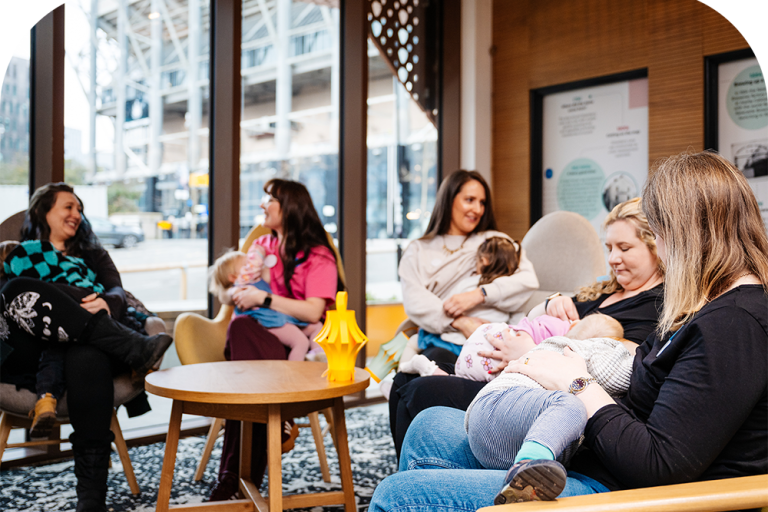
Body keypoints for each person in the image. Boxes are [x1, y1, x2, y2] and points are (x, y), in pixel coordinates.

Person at [369, 151, 768, 511]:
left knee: (395, 495)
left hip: (624, 491)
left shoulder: (733, 326)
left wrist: (574, 382)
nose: (660, 250)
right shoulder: (709, 307)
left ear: (688, 234)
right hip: (600, 455)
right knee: (427, 427)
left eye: (660, 235)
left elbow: (660, 465)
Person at [388, 196, 663, 458]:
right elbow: (535, 316)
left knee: (419, 390)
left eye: (624, 248)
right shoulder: (602, 292)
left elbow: (614, 372)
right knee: (409, 376)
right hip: (507, 366)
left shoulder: (653, 307)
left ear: (656, 247)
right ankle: (415, 472)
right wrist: (550, 303)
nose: (613, 258)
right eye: (609, 248)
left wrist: (530, 353)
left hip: (536, 392)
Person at [0, 182, 173, 512]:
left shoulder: (93, 256)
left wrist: (105, 304)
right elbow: (13, 301)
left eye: (79, 209)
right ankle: (135, 348)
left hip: (92, 348)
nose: (76, 214)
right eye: (68, 207)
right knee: (20, 287)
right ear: (43, 212)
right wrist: (78, 300)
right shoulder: (21, 254)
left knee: (85, 354)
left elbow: (118, 293)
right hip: (35, 349)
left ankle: (91, 499)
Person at [209, 178, 341, 501]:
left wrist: (263, 299)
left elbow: (313, 312)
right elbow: (233, 293)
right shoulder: (260, 248)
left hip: (299, 344)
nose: (261, 205)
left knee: (245, 379)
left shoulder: (318, 255)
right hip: (257, 340)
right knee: (240, 333)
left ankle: (234, 477)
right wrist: (242, 294)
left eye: (269, 199)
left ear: (290, 206)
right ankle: (281, 419)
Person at [401, 313, 624, 381]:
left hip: (486, 337)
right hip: (500, 352)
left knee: (416, 383)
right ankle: (433, 371)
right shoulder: (564, 347)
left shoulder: (560, 322)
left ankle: (426, 371)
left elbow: (528, 321)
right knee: (454, 379)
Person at [208, 248, 322, 361]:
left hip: (281, 315)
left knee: (316, 327)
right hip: (268, 320)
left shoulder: (257, 277)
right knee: (300, 341)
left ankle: (318, 357)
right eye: (246, 263)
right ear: (233, 277)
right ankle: (296, 371)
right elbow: (229, 293)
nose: (252, 264)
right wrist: (234, 291)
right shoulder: (241, 284)